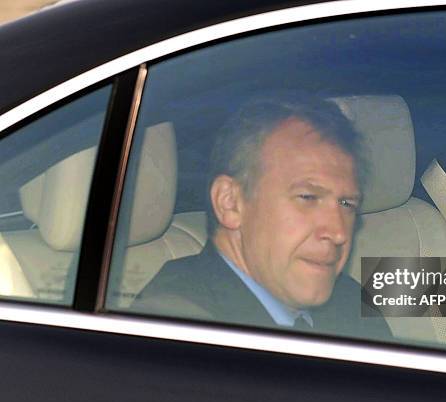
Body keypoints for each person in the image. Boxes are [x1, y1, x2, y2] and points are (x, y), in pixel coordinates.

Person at [132, 97, 392, 340]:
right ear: (230, 203)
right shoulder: (179, 327)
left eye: (347, 204)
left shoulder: (350, 301)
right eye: (307, 197)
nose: (339, 233)